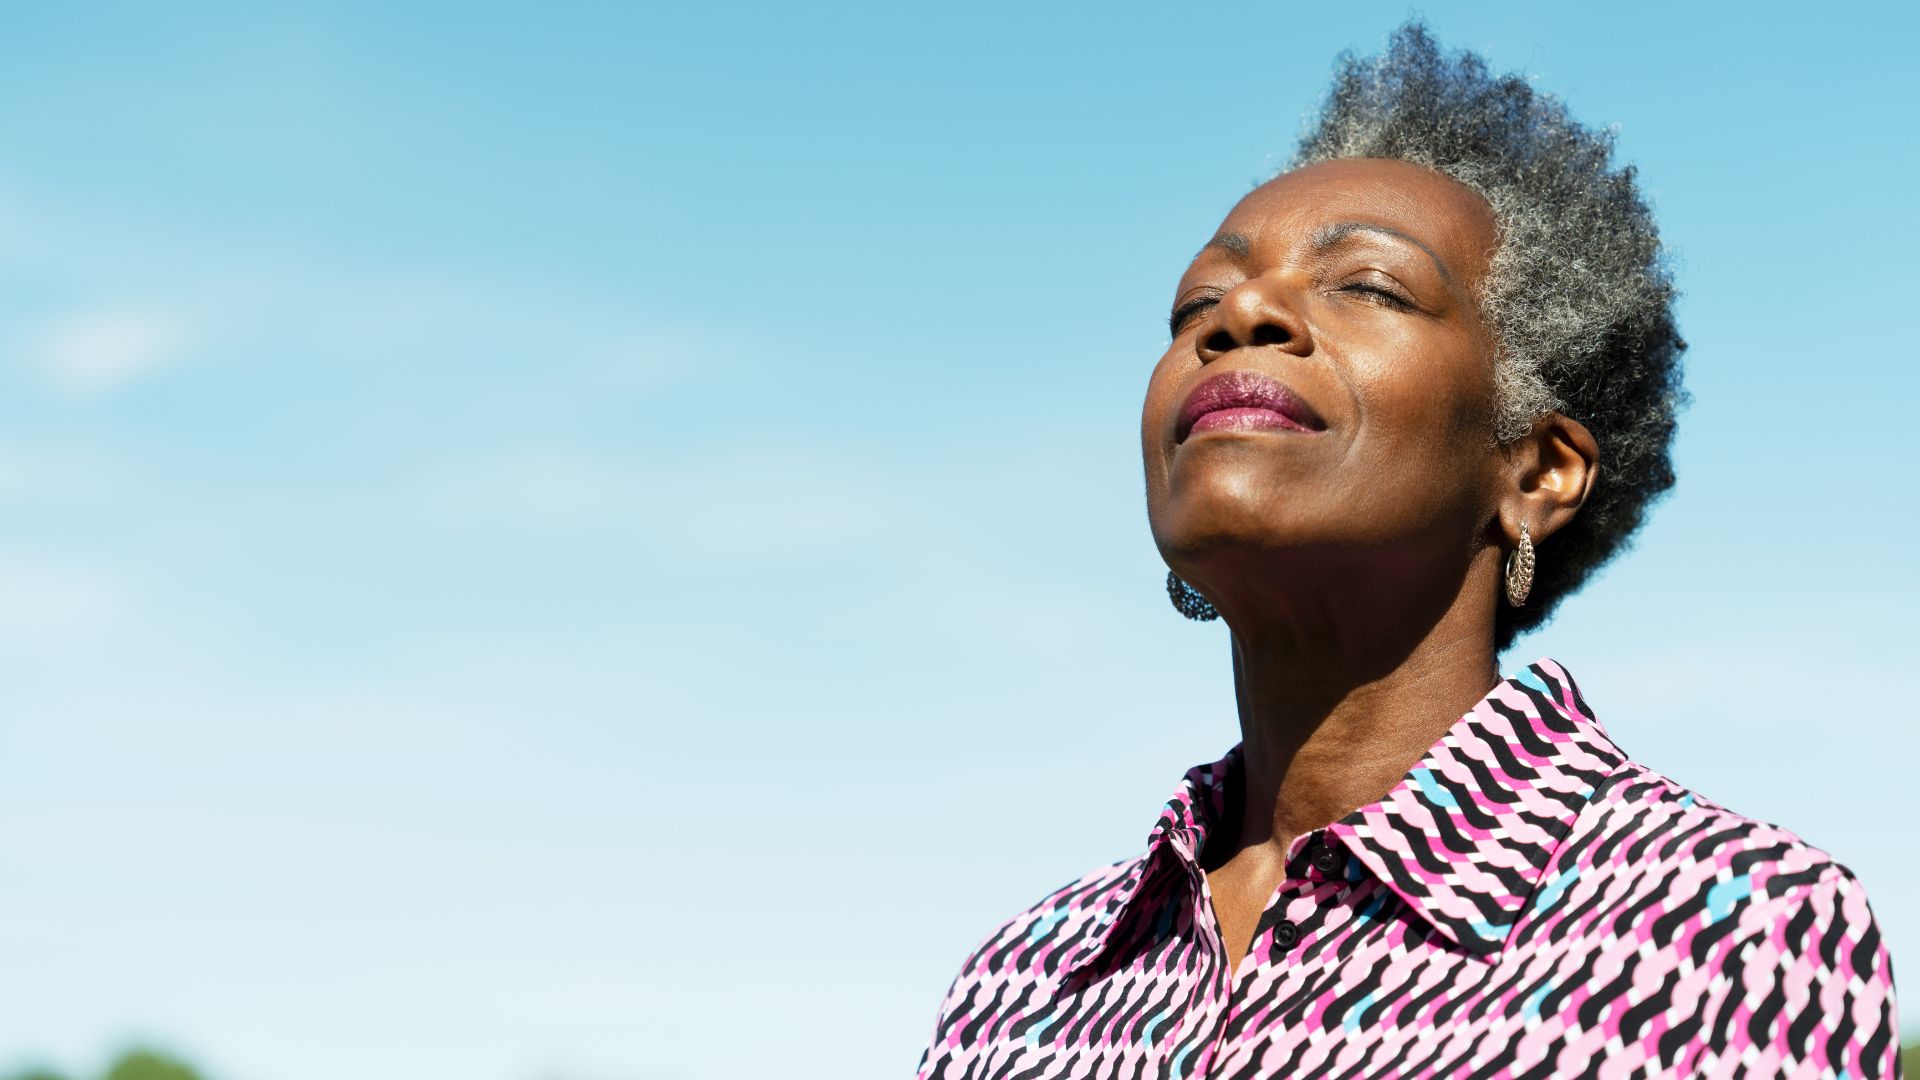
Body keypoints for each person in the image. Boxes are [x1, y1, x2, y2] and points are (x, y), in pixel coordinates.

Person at [915, 21, 1899, 1080]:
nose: (1241, 311)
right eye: (1196, 305)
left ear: (1536, 471)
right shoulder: (1021, 985)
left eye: (1369, 287)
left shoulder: (1729, 930)